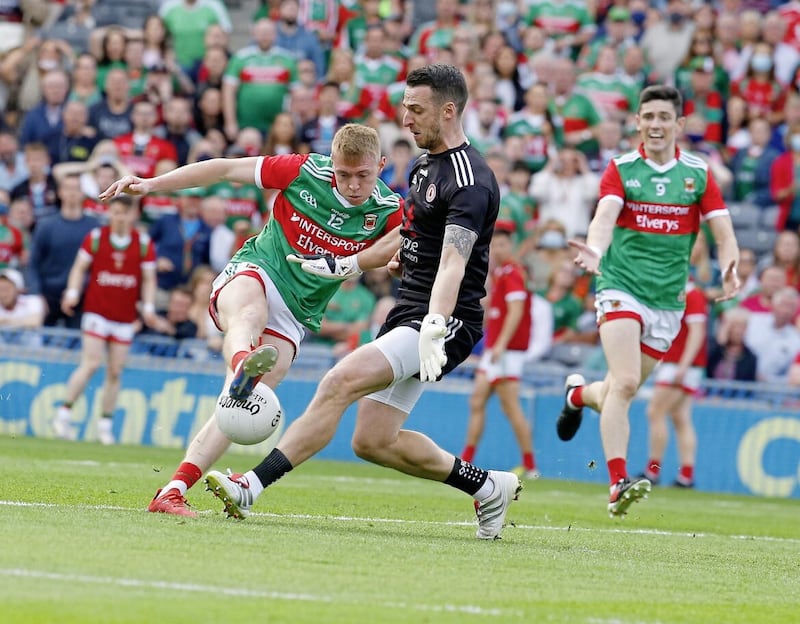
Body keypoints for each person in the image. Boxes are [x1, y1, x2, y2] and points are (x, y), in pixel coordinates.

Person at [203, 64, 522, 540]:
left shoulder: (470, 180)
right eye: (405, 107)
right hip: (408, 313)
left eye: (416, 109)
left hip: (442, 322)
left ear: (449, 110)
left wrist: (435, 324)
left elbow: (454, 263)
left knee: (338, 382)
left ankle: (250, 485)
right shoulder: (422, 166)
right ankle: (489, 486)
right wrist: (349, 264)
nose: (406, 118)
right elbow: (404, 238)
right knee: (373, 441)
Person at [99, 123, 404, 517]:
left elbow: (396, 249)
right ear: (331, 164)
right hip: (257, 269)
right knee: (248, 314)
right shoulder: (302, 170)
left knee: (233, 410)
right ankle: (243, 358)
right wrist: (151, 184)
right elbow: (224, 169)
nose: (352, 185)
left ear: (380, 165)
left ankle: (172, 490)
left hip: (297, 313)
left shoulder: (388, 210)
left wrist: (395, 263)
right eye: (343, 175)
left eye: (363, 175)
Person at [554, 85, 741, 517]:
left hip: (668, 301)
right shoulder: (621, 169)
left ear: (679, 125)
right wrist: (596, 251)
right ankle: (618, 482)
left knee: (624, 388)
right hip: (619, 285)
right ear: (637, 122)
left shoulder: (699, 174)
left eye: (664, 118)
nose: (655, 125)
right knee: (624, 383)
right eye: (648, 117)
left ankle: (578, 396)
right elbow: (603, 218)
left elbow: (723, 233)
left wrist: (730, 267)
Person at [54, 196, 158, 444]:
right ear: (109, 213)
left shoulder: (142, 243)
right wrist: (72, 292)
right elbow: (79, 268)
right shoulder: (97, 238)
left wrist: (149, 307)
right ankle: (64, 414)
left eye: (123, 213)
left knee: (114, 371)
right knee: (90, 363)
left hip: (123, 316)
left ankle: (104, 423)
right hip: (97, 311)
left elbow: (149, 279)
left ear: (132, 214)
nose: (119, 217)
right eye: (115, 212)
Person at [461, 227, 537, 479]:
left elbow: (516, 311)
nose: (497, 250)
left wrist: (502, 344)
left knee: (510, 406)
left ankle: (530, 464)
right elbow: (497, 307)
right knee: (477, 400)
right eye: (495, 245)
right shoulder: (501, 273)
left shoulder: (514, 272)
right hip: (496, 348)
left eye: (503, 245)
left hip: (506, 350)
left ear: (512, 245)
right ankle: (466, 459)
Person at [641, 279, 708, 489]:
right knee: (680, 418)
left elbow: (697, 331)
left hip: (679, 363)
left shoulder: (691, 294)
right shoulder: (681, 291)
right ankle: (686, 474)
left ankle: (653, 470)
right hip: (682, 363)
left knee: (655, 411)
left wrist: (683, 365)